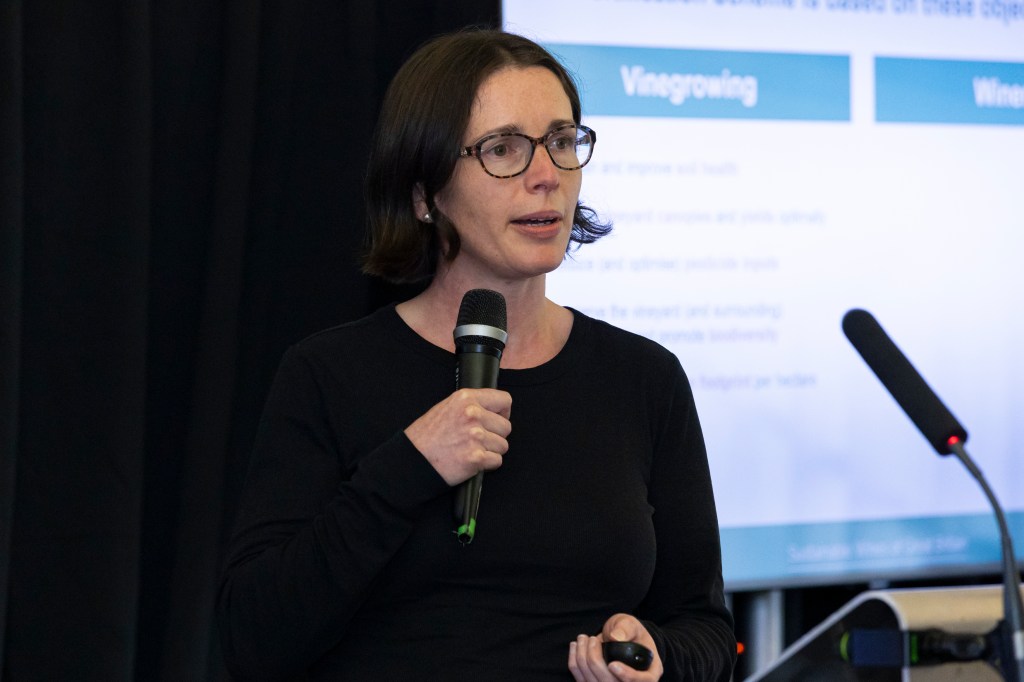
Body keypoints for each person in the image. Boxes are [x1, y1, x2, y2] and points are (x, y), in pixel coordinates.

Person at [217, 28, 736, 682]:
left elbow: (706, 632)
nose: (546, 176)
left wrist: (658, 656)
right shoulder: (329, 374)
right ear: (424, 194)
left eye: (561, 141)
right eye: (503, 150)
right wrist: (409, 467)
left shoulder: (644, 378)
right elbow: (252, 638)